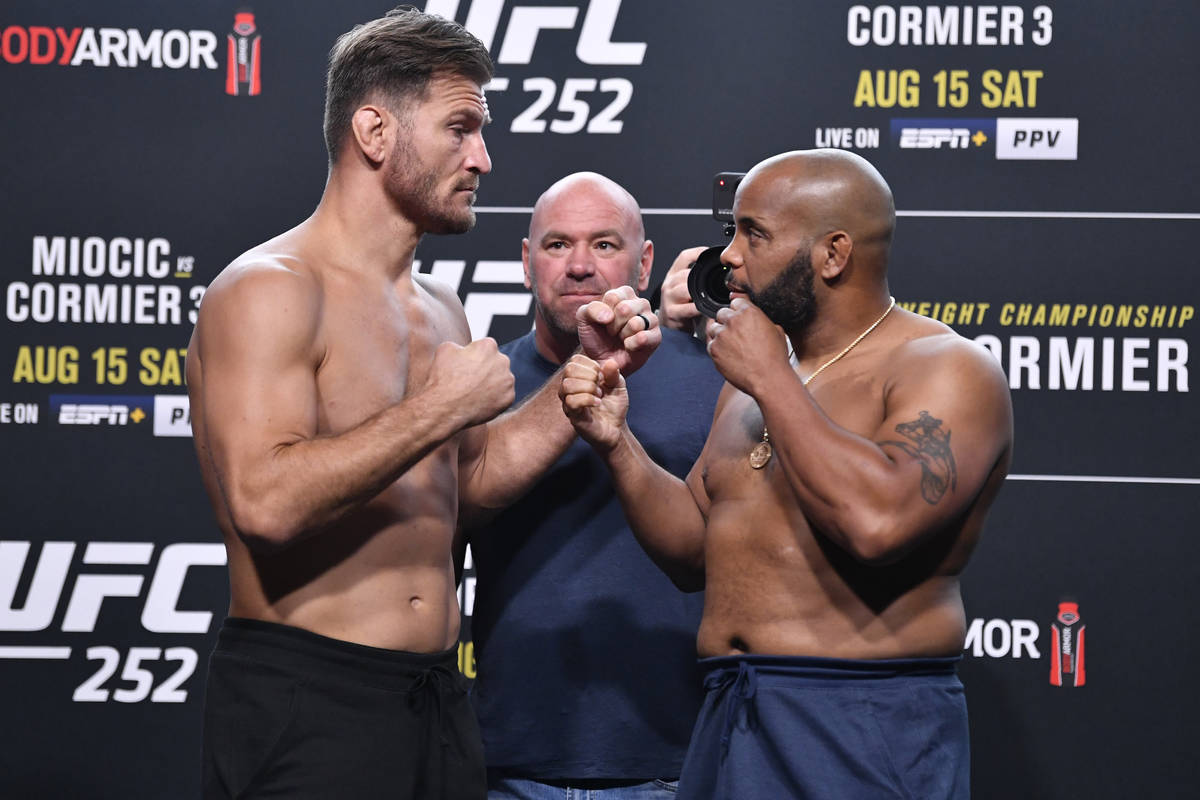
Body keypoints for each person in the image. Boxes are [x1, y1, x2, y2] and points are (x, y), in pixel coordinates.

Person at [186, 9, 659, 799]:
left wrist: (587, 369)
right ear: (374, 131)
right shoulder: (269, 289)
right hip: (309, 698)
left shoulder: (440, 309)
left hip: (435, 701)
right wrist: (440, 409)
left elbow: (464, 490)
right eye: (460, 128)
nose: (483, 156)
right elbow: (263, 502)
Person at [560, 149, 1013, 799]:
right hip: (730, 712)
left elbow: (879, 524)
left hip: (862, 719)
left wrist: (772, 377)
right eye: (733, 231)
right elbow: (694, 547)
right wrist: (616, 444)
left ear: (833, 255)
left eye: (755, 233)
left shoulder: (945, 368)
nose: (730, 257)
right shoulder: (755, 379)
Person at [466, 173, 725, 799]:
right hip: (510, 763)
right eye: (557, 245)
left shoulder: (717, 384)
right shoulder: (478, 390)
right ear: (526, 263)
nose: (580, 265)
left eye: (604, 245)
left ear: (646, 262)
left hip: (678, 760)